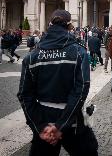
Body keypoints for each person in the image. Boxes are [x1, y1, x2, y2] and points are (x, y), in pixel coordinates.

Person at [17, 9, 98, 156]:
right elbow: (80, 91)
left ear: (49, 25)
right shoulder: (79, 53)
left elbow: (24, 95)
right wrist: (61, 125)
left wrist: (41, 127)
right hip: (72, 120)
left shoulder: (31, 57)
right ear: (69, 27)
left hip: (44, 119)